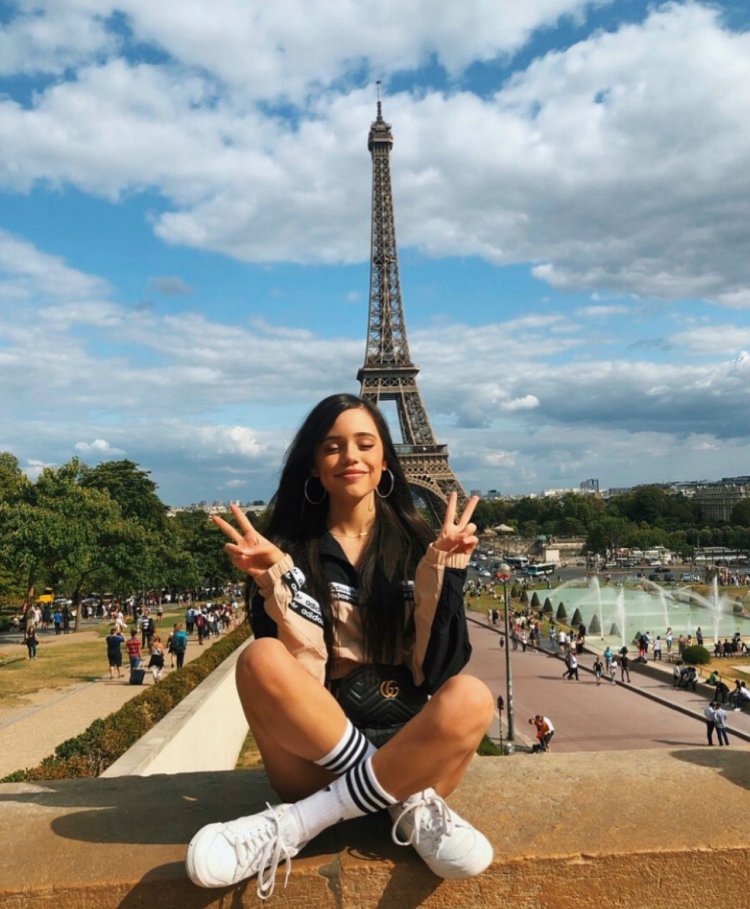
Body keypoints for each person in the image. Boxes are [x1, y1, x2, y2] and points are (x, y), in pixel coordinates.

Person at [185, 393, 494, 898]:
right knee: (260, 658)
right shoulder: (283, 552)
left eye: (364, 444)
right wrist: (276, 580)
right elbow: (295, 677)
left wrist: (444, 573)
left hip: (407, 741)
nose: (350, 456)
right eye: (332, 446)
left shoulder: (422, 546)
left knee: (473, 696)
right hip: (320, 756)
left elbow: (437, 673)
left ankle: (299, 824)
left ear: (384, 462)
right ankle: (399, 802)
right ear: (314, 464)